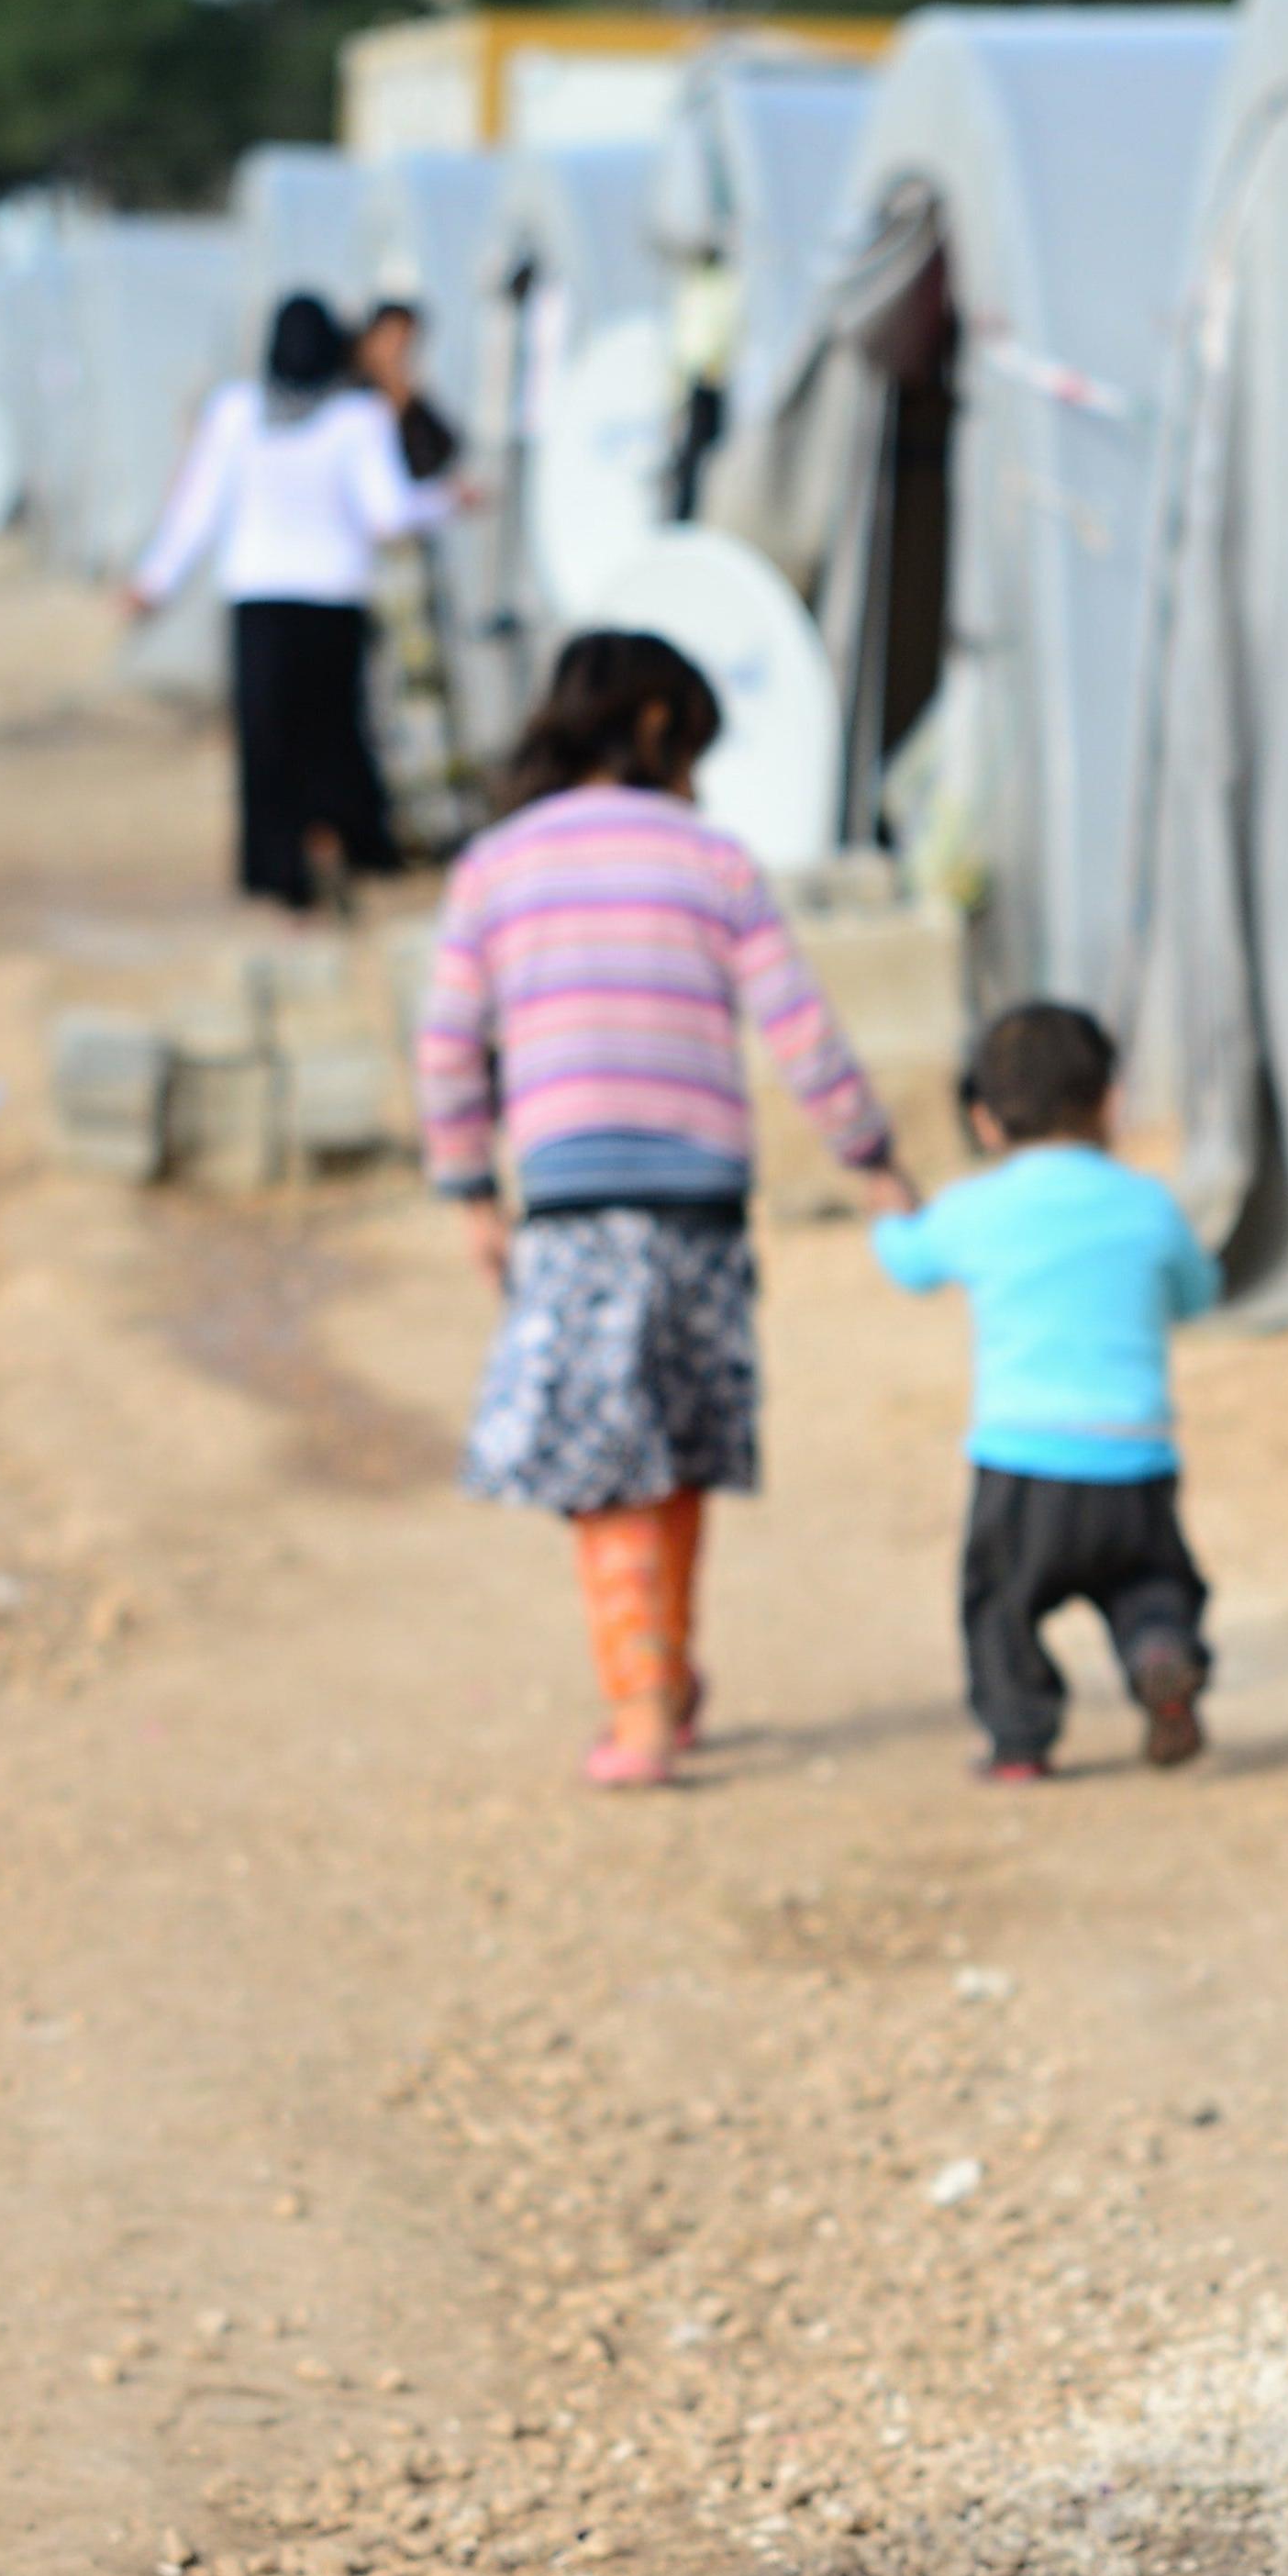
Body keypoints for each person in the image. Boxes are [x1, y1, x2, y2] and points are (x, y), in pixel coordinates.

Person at [418, 630, 914, 1786]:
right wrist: (870, 1154)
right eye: (693, 743)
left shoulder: (493, 866)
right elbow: (800, 1027)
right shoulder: (714, 860)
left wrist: (468, 1187)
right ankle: (666, 1674)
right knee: (678, 1445)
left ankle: (641, 1698)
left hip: (573, 1207)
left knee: (604, 1464)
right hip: (698, 1208)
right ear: (654, 729)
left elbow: (447, 1048)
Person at [874, 1002, 1223, 1780]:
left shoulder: (974, 1208)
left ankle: (1019, 1738)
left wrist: (888, 1209)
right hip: (1135, 1459)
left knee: (999, 1604)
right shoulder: (1147, 1203)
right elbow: (1199, 1293)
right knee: (1152, 1584)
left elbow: (910, 1263)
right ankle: (1159, 1651)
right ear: (1111, 1101)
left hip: (1023, 1458)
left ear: (984, 1121)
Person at [130, 292, 455, 915]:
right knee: (334, 734)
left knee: (269, 743)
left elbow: (196, 510)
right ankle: (349, 846)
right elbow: (388, 514)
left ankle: (280, 869)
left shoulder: (238, 413)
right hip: (334, 601)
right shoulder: (356, 417)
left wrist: (155, 582)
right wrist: (445, 501)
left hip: (260, 605)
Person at [356, 296, 458, 483]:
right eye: (391, 339)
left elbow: (443, 451)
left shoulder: (416, 407)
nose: (398, 350)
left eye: (406, 341)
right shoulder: (349, 398)